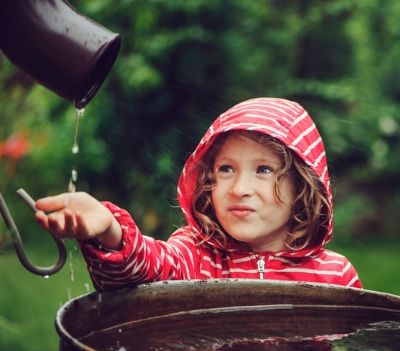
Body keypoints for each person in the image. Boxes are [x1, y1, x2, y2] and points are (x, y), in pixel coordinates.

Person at [35, 97, 362, 291]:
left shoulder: (333, 276)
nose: (239, 189)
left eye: (263, 170)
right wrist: (111, 230)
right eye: (226, 169)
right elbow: (148, 268)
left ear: (302, 187)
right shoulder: (196, 255)